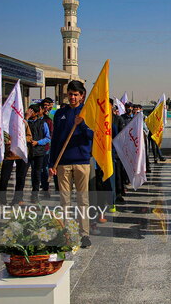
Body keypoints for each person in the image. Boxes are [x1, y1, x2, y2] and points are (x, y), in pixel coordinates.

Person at [49, 80, 94, 248]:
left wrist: (81, 124)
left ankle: (84, 234)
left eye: (76, 94)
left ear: (82, 96)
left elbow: (93, 136)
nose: (73, 97)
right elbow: (55, 140)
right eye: (70, 94)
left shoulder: (87, 113)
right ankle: (65, 233)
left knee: (83, 200)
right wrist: (52, 163)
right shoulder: (60, 113)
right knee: (64, 200)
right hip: (63, 163)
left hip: (82, 162)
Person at [27, 104, 51, 203]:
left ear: (36, 113)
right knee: (26, 173)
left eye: (32, 111)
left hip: (39, 151)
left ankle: (35, 193)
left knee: (37, 172)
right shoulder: (26, 122)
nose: (29, 112)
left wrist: (38, 142)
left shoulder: (43, 123)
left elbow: (48, 137)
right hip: (28, 151)